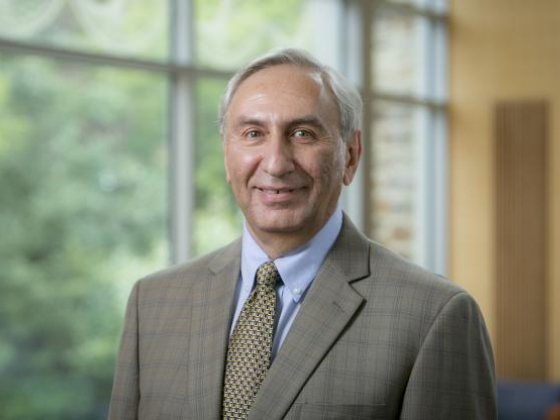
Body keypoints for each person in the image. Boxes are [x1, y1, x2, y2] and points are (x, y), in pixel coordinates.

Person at [108, 48, 497, 420]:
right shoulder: (153, 303)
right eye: (253, 134)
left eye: (303, 134)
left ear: (350, 155)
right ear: (227, 156)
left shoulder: (435, 316)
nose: (276, 163)